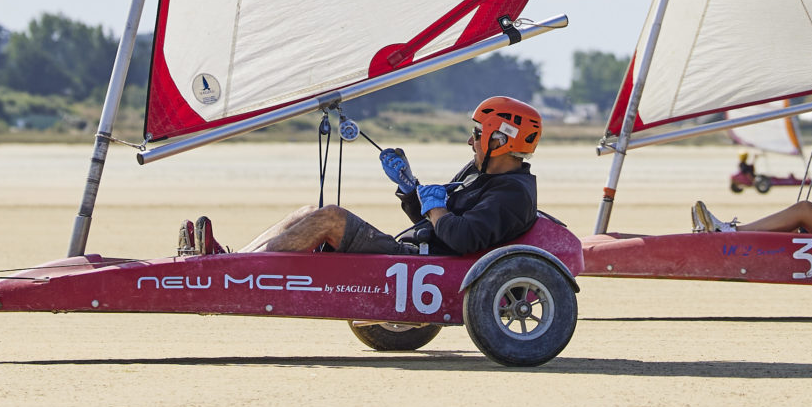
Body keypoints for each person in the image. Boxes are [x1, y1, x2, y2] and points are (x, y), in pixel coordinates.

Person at [175, 97, 543, 260]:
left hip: (422, 260)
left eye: (478, 133)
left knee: (331, 218)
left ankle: (232, 268)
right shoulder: (480, 173)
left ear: (500, 139)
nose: (471, 139)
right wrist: (410, 187)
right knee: (309, 211)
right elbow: (431, 217)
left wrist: (436, 209)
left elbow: (461, 239)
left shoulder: (513, 194)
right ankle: (234, 260)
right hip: (417, 250)